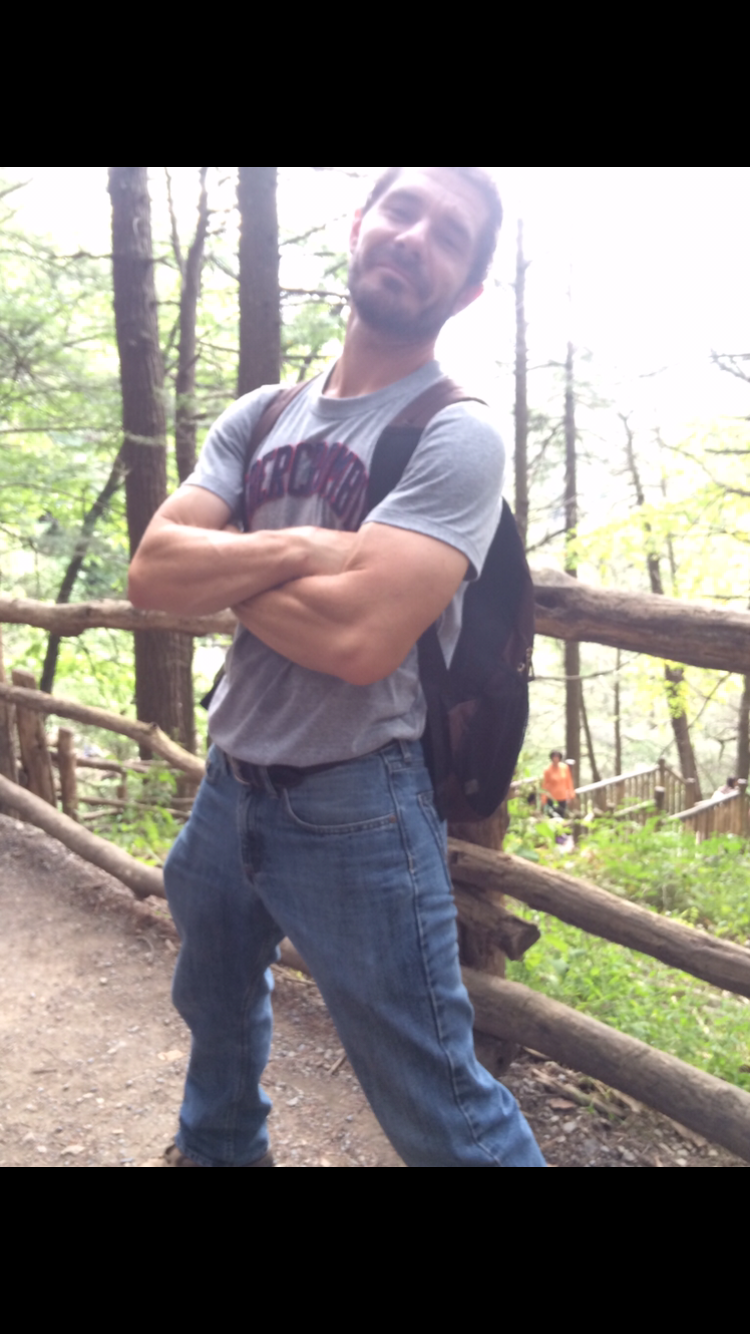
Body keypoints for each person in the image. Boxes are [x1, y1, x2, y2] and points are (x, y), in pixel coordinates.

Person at [129, 166, 545, 1169]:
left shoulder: (456, 432)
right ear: (362, 224)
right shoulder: (264, 413)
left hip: (357, 803)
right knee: (213, 997)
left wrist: (228, 566)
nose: (415, 235)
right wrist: (310, 550)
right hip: (229, 782)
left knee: (435, 1097)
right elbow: (151, 572)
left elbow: (360, 643)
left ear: (467, 289)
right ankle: (218, 1147)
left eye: (449, 234)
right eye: (402, 209)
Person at [542, 751, 576, 819]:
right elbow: (545, 785)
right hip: (551, 798)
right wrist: (543, 798)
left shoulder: (565, 767)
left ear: (559, 758)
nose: (555, 759)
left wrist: (571, 794)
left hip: (562, 797)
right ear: (551, 758)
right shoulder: (547, 770)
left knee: (561, 816)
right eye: (554, 757)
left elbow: (568, 781)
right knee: (552, 816)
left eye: (557, 757)